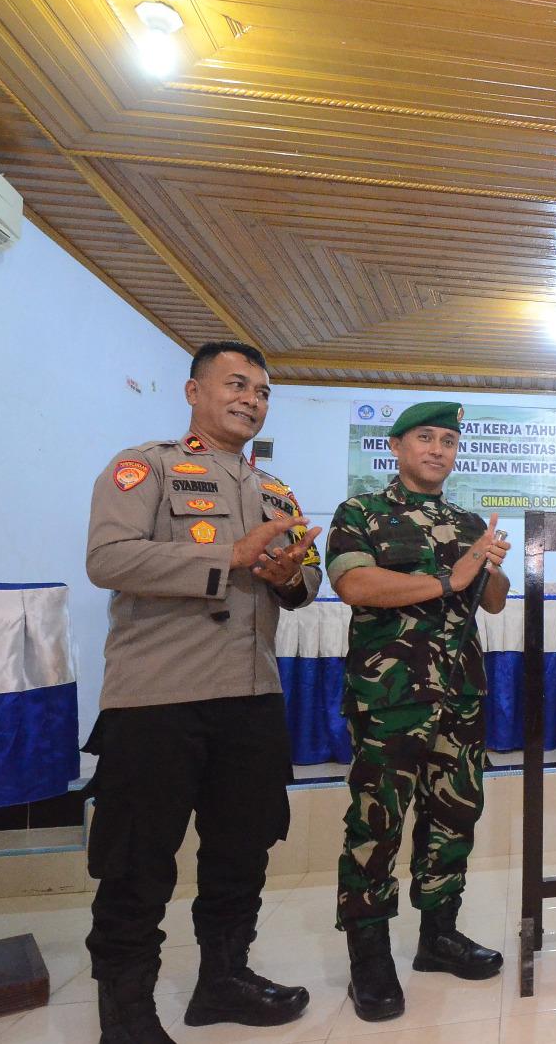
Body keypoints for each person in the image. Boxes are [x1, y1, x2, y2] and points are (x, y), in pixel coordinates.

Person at [83, 340, 322, 1044]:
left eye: (262, 391)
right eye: (236, 384)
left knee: (242, 848)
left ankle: (223, 981)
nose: (251, 398)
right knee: (138, 859)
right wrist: (229, 555)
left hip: (251, 697)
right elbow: (108, 558)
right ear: (194, 391)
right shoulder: (145, 466)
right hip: (159, 698)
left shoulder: (276, 491)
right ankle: (125, 1016)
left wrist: (284, 574)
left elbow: (301, 585)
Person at [325, 400, 512, 1022]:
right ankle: (370, 956)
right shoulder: (361, 512)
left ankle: (439, 936)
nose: (438, 450)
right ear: (398, 448)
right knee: (377, 822)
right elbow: (354, 585)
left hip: (460, 694)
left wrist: (488, 566)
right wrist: (449, 579)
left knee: (454, 814)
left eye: (449, 441)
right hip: (391, 698)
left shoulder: (466, 520)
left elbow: (494, 604)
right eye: (426, 438)